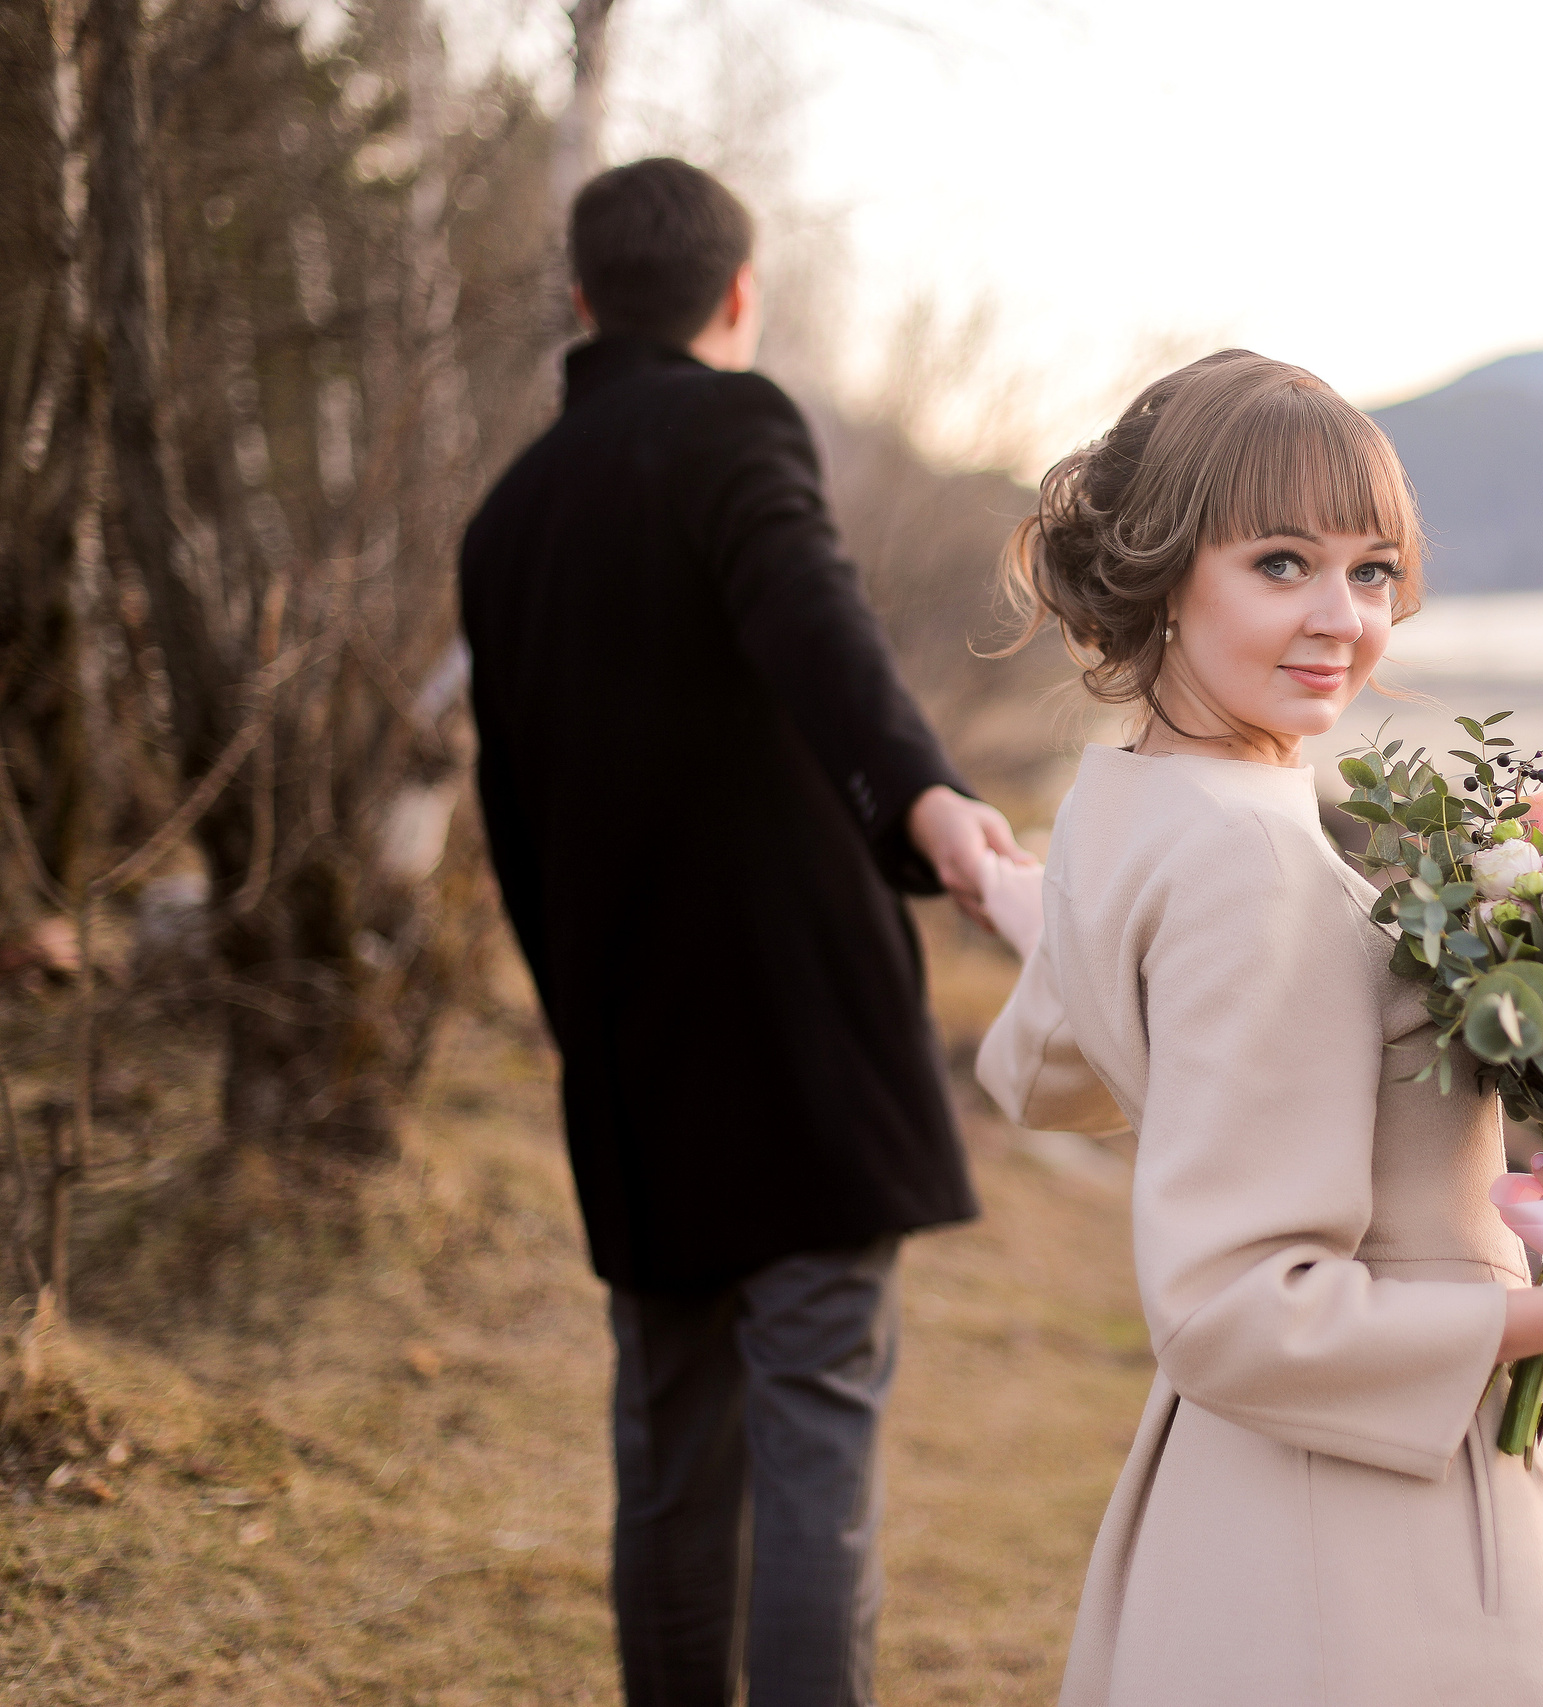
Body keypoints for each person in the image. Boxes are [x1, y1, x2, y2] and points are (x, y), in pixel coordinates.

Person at [972, 350, 1543, 1705]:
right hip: (1368, 1548)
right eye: (1281, 563)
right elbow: (1237, 1312)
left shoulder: (1122, 806)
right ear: (1167, 570)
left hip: (1248, 1510)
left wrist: (1019, 894)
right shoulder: (1255, 859)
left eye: (1374, 573)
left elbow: (1061, 1059)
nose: (1341, 619)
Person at [459, 156, 1025, 1707]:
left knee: (670, 1461)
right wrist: (926, 801)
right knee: (816, 1459)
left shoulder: (504, 519)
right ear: (739, 296)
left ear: (582, 299)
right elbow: (810, 615)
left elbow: (515, 823)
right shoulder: (736, 426)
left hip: (631, 1059)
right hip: (798, 1050)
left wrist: (592, 1029)